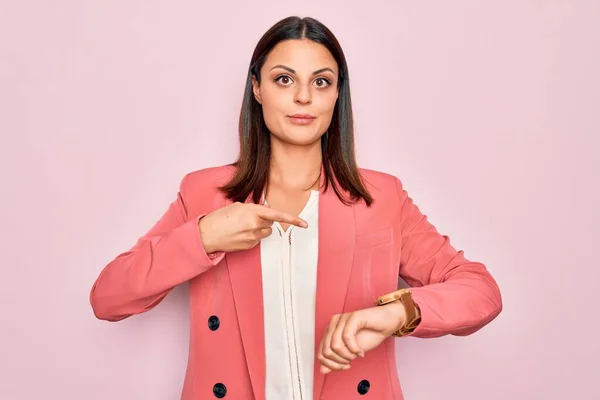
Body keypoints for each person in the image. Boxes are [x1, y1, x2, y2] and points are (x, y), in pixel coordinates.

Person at [89, 15, 502, 400]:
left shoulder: (381, 197)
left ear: (338, 92)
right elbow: (108, 297)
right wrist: (202, 237)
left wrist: (399, 313)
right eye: (284, 79)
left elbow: (480, 292)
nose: (303, 96)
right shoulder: (204, 193)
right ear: (257, 87)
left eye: (321, 82)